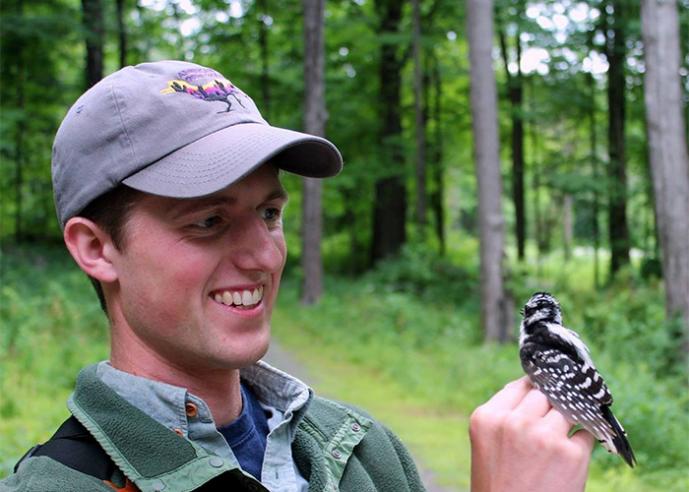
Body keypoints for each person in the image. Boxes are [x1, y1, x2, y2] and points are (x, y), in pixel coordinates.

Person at [1, 60, 593, 492]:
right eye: (209, 220)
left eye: (269, 213)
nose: (263, 255)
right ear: (96, 247)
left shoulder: (364, 452)